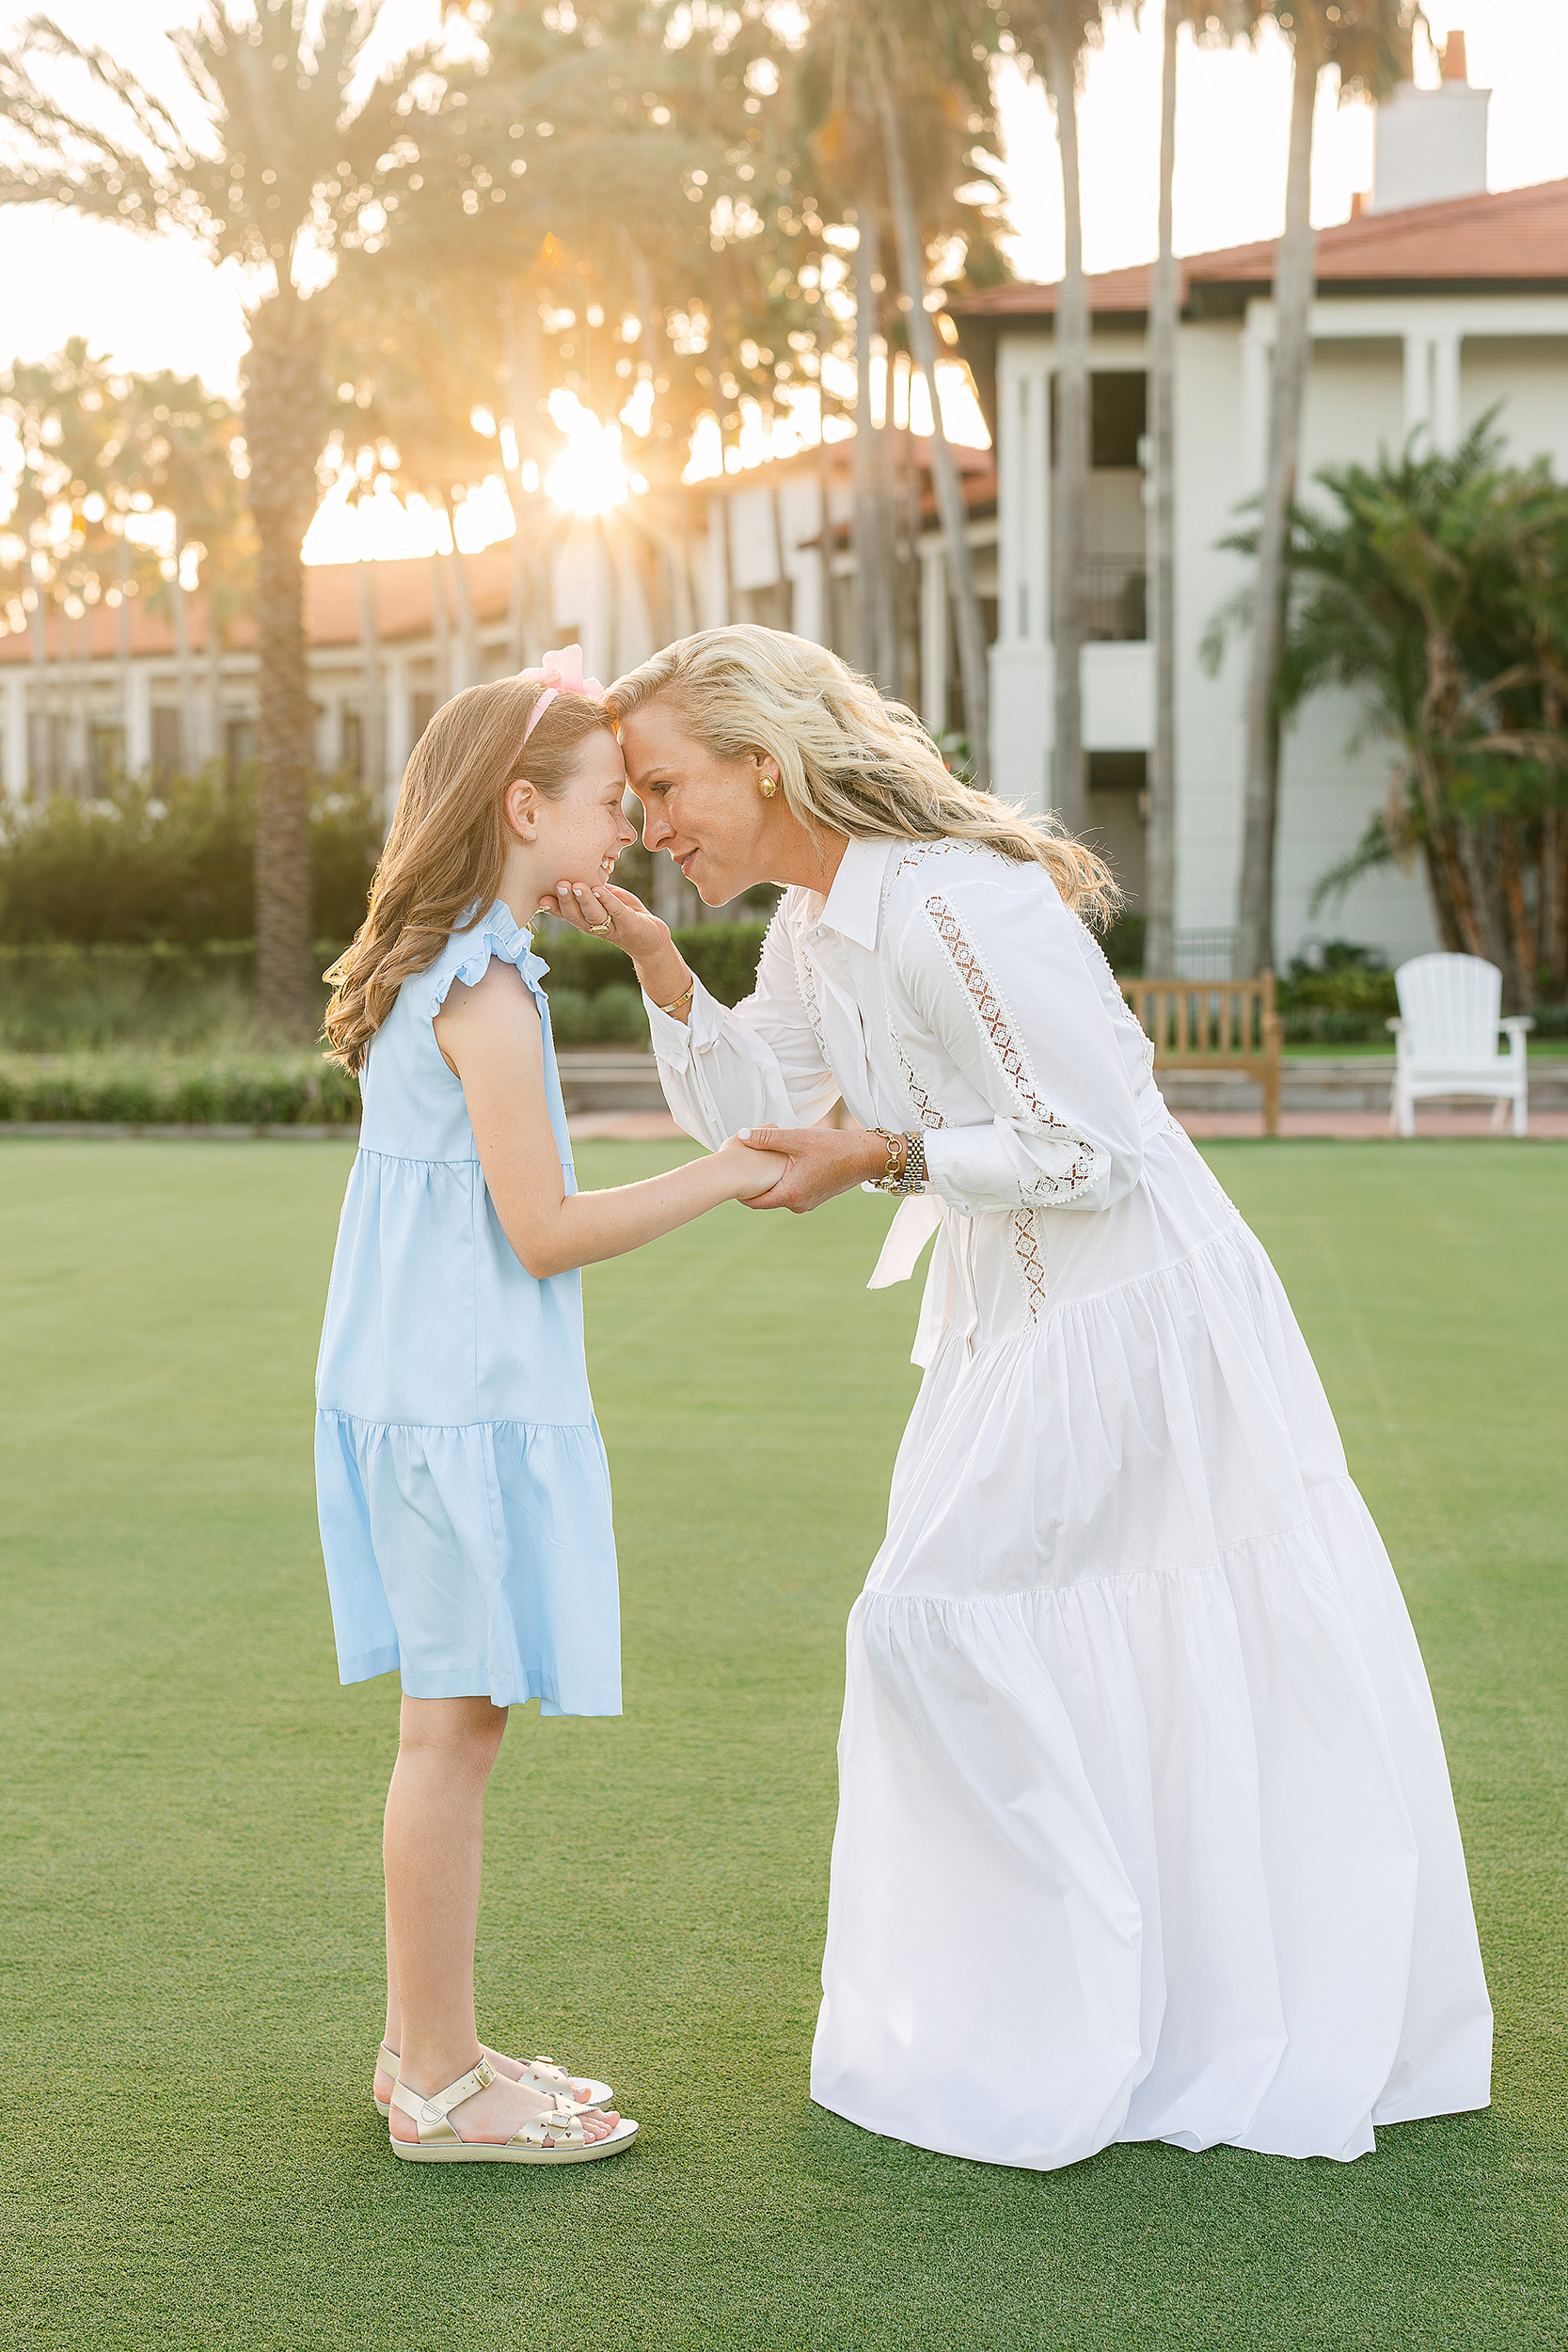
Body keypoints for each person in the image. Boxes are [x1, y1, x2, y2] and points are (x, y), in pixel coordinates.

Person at [547, 622, 1493, 2171]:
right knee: (991, 1634)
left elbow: (1100, 1147)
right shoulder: (808, 922)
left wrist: (891, 1156)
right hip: (1008, 1324)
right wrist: (662, 966)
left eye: (661, 785)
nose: (648, 824)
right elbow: (764, 1121)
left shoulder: (956, 908)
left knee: (946, 1621)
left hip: (1136, 1319)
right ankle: (1069, 2015)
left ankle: (1098, 2027)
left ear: (763, 763)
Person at [315, 652, 784, 2166]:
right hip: (455, 1398)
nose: (627, 833)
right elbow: (545, 1230)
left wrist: (654, 955)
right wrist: (725, 1169)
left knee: (453, 1721)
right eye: (603, 808)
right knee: (453, 1732)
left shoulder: (452, 959)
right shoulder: (491, 992)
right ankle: (441, 2090)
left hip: (426, 1387)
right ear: (524, 807)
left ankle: (424, 2050)